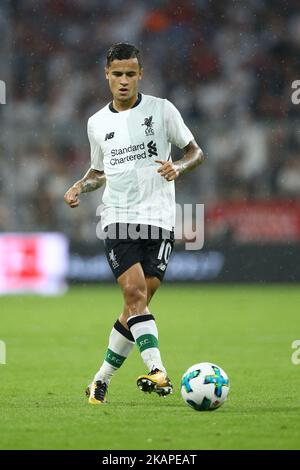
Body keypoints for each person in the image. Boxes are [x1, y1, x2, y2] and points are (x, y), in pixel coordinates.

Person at [64, 42, 204, 404]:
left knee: (135, 308)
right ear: (106, 75)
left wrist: (180, 166)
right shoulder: (97, 122)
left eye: (130, 74)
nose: (124, 80)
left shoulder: (162, 110)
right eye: (117, 74)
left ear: (141, 74)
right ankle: (158, 371)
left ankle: (100, 380)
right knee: (135, 295)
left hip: (159, 219)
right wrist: (82, 185)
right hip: (118, 218)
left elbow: (195, 152)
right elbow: (99, 172)